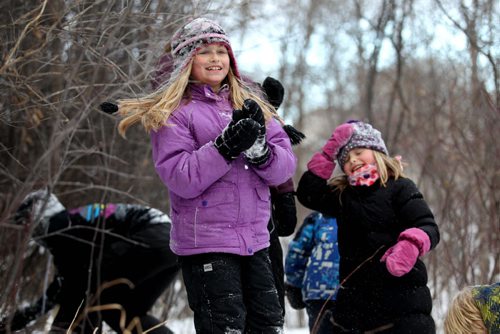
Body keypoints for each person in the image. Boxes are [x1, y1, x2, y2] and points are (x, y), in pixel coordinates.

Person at [116, 17, 296, 333]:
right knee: (224, 326)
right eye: (205, 52)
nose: (215, 59)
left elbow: (285, 164)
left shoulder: (251, 104)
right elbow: (180, 176)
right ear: (187, 60)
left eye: (221, 51)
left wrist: (259, 151)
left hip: (255, 240)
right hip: (207, 243)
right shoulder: (174, 112)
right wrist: (224, 147)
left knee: (268, 324)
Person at [296, 120, 440, 333]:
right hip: (356, 303)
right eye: (345, 158)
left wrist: (409, 245)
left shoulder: (400, 187)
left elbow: (427, 226)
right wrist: (328, 153)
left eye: (359, 152)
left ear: (377, 152)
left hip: (402, 298)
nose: (352, 160)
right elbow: (308, 194)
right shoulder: (344, 196)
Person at [1, 189, 179, 334]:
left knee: (87, 291)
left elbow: (70, 284)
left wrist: (17, 322)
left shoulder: (61, 225)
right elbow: (63, 284)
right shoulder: (75, 223)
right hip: (172, 244)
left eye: (25, 222)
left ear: (38, 215)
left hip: (151, 234)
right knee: (121, 312)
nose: (27, 232)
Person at [284, 211, 340, 334]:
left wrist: (294, 285)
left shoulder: (318, 217)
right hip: (351, 289)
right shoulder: (365, 212)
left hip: (318, 291)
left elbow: (297, 252)